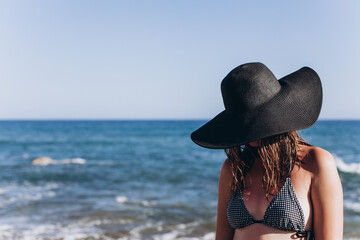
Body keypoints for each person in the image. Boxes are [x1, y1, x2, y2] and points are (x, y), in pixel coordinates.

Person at [190, 63, 343, 240]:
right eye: (244, 123)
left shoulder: (315, 162)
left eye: (255, 121)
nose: (249, 131)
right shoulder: (233, 168)